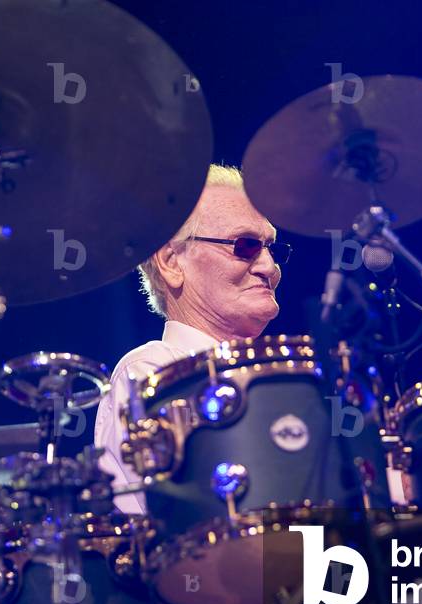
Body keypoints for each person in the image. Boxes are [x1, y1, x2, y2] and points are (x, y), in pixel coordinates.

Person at [94, 164, 290, 513]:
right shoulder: (150, 372)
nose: (270, 266)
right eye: (245, 246)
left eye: (271, 248)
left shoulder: (293, 378)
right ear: (171, 262)